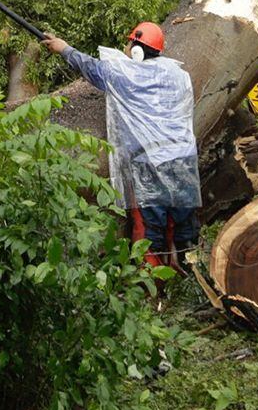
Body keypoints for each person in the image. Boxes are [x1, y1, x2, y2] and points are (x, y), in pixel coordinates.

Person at [41, 22, 200, 267]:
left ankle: (155, 287)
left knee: (152, 230)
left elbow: (91, 68)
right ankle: (193, 274)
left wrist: (63, 48)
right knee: (185, 227)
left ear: (137, 49)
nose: (126, 49)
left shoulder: (125, 75)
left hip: (150, 163)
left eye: (129, 44)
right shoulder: (178, 74)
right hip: (183, 160)